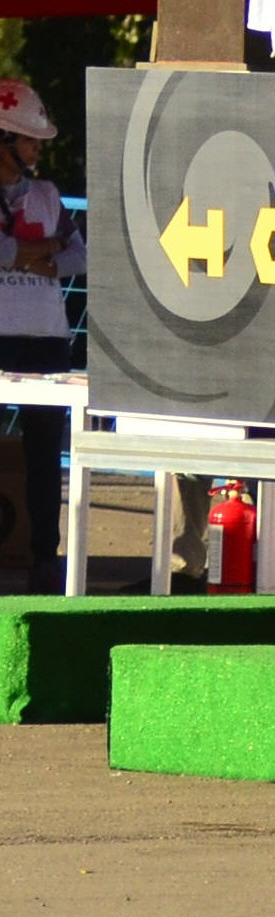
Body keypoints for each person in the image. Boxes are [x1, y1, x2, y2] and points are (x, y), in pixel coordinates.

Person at [0, 81, 81, 593]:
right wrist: (36, 252)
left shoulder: (48, 195)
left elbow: (79, 256)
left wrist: (26, 254)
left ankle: (44, 559)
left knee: (45, 457)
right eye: (28, 139)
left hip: (48, 339)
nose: (36, 149)